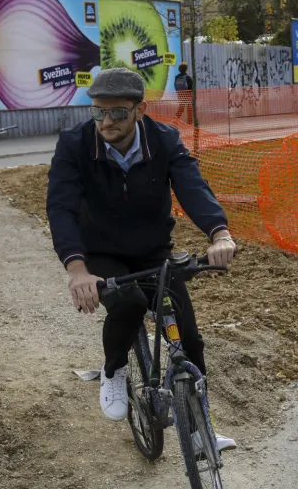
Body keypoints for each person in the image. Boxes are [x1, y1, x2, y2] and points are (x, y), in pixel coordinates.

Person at [46, 68, 238, 452]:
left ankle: (201, 428)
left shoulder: (165, 140)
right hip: (100, 251)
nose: (105, 122)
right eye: (97, 112)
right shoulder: (74, 144)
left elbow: (192, 186)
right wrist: (77, 270)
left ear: (140, 110)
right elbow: (61, 207)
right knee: (130, 303)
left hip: (152, 249)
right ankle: (114, 370)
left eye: (117, 112)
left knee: (189, 337)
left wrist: (219, 232)